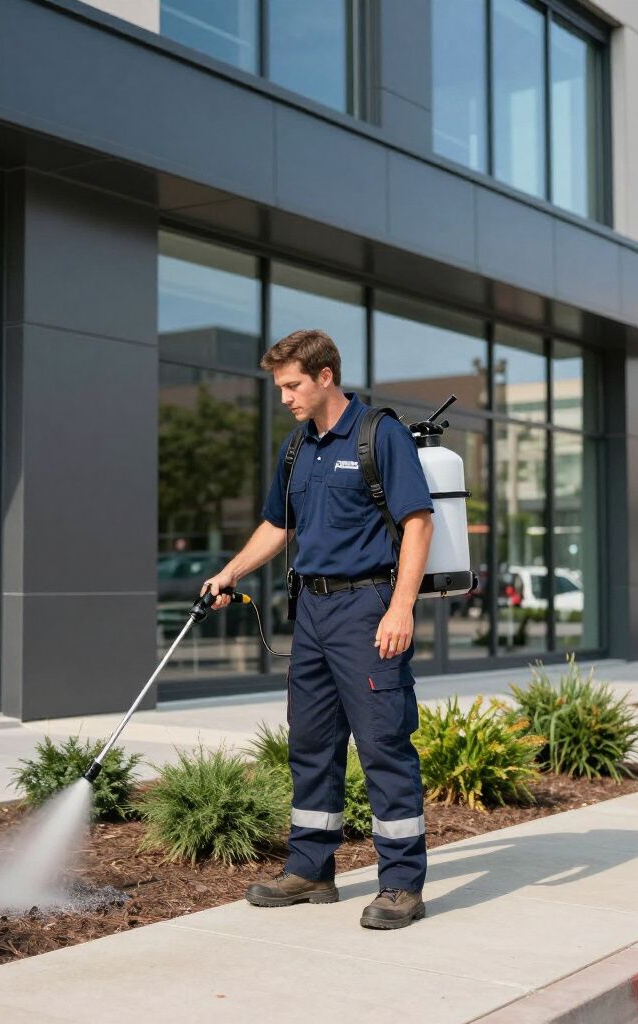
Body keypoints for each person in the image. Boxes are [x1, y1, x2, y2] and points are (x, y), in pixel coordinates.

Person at [202, 329, 434, 930]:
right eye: (280, 387)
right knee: (310, 742)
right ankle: (310, 869)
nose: (286, 398)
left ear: (325, 376)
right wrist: (230, 571)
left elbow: (417, 522)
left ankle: (402, 883)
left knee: (383, 742)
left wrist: (401, 607)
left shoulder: (379, 435)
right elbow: (278, 526)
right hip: (311, 614)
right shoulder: (296, 448)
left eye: (293, 386)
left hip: (368, 608)